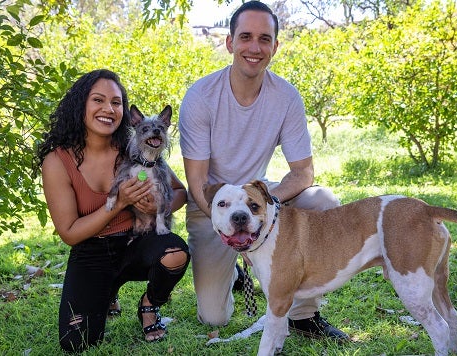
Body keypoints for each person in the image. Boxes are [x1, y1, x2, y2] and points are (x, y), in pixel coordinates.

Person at [178, 1, 349, 342]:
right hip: (213, 202)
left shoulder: (286, 97)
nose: (254, 47)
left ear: (275, 46)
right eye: (245, 37)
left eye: (264, 38)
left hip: (258, 197)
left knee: (323, 200)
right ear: (229, 43)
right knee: (215, 316)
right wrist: (224, 221)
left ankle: (303, 314)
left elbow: (302, 173)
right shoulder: (200, 97)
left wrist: (267, 204)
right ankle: (237, 276)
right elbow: (196, 181)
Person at [36, 69, 190, 352]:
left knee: (175, 253)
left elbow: (180, 192)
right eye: (98, 100)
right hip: (91, 252)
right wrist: (118, 204)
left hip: (135, 243)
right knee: (77, 343)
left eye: (116, 102)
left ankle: (149, 305)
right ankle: (107, 292)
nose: (108, 109)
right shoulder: (57, 161)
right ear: (80, 104)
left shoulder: (135, 147)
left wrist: (160, 205)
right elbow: (69, 233)